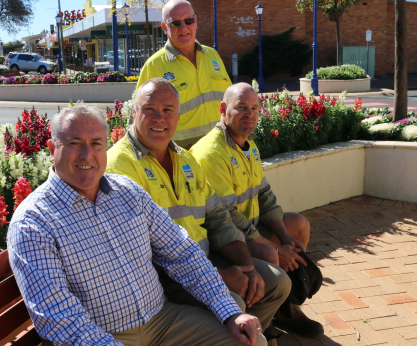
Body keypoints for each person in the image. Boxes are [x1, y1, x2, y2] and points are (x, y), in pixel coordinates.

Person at [7, 104, 267, 346]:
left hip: (164, 321)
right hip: (104, 335)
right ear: (52, 149)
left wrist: (231, 312)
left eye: (96, 144)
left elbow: (182, 252)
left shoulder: (127, 191)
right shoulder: (33, 222)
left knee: (250, 341)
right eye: (74, 143)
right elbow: (57, 315)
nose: (87, 155)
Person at [106, 78, 290, 341]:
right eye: (149, 109)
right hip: (166, 277)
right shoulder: (119, 167)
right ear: (134, 113)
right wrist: (219, 277)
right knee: (234, 300)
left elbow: (218, 218)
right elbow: (140, 253)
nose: (159, 118)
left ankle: (248, 336)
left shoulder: (184, 158)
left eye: (168, 110)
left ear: (178, 116)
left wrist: (245, 265)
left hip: (205, 257)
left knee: (276, 283)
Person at [190, 83, 324, 338]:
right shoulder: (211, 153)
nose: (249, 113)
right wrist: (275, 248)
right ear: (223, 109)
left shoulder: (249, 146)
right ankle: (264, 321)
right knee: (268, 254)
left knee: (298, 225)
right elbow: (227, 216)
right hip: (226, 236)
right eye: (241, 107)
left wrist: (286, 238)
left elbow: (264, 195)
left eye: (254, 108)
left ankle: (287, 308)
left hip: (250, 226)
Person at [135, 0, 231, 149]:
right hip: (184, 156)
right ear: (164, 27)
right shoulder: (154, 66)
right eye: (175, 23)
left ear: (196, 21)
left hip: (222, 150)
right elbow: (137, 119)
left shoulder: (212, 55)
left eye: (189, 20)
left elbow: (230, 100)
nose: (183, 27)